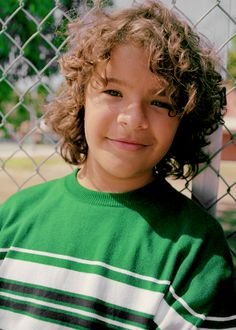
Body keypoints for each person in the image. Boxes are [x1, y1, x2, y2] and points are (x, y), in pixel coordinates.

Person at [0, 0, 235, 329]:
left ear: (184, 118)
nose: (133, 118)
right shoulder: (14, 217)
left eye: (160, 101)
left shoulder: (195, 252)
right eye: (112, 91)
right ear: (81, 98)